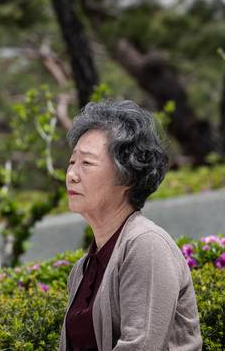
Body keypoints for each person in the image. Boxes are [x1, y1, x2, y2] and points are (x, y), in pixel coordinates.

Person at [58, 100, 202, 351]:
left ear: (127, 175)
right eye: (72, 162)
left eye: (86, 163)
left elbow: (141, 345)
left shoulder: (147, 245)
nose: (72, 174)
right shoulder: (82, 269)